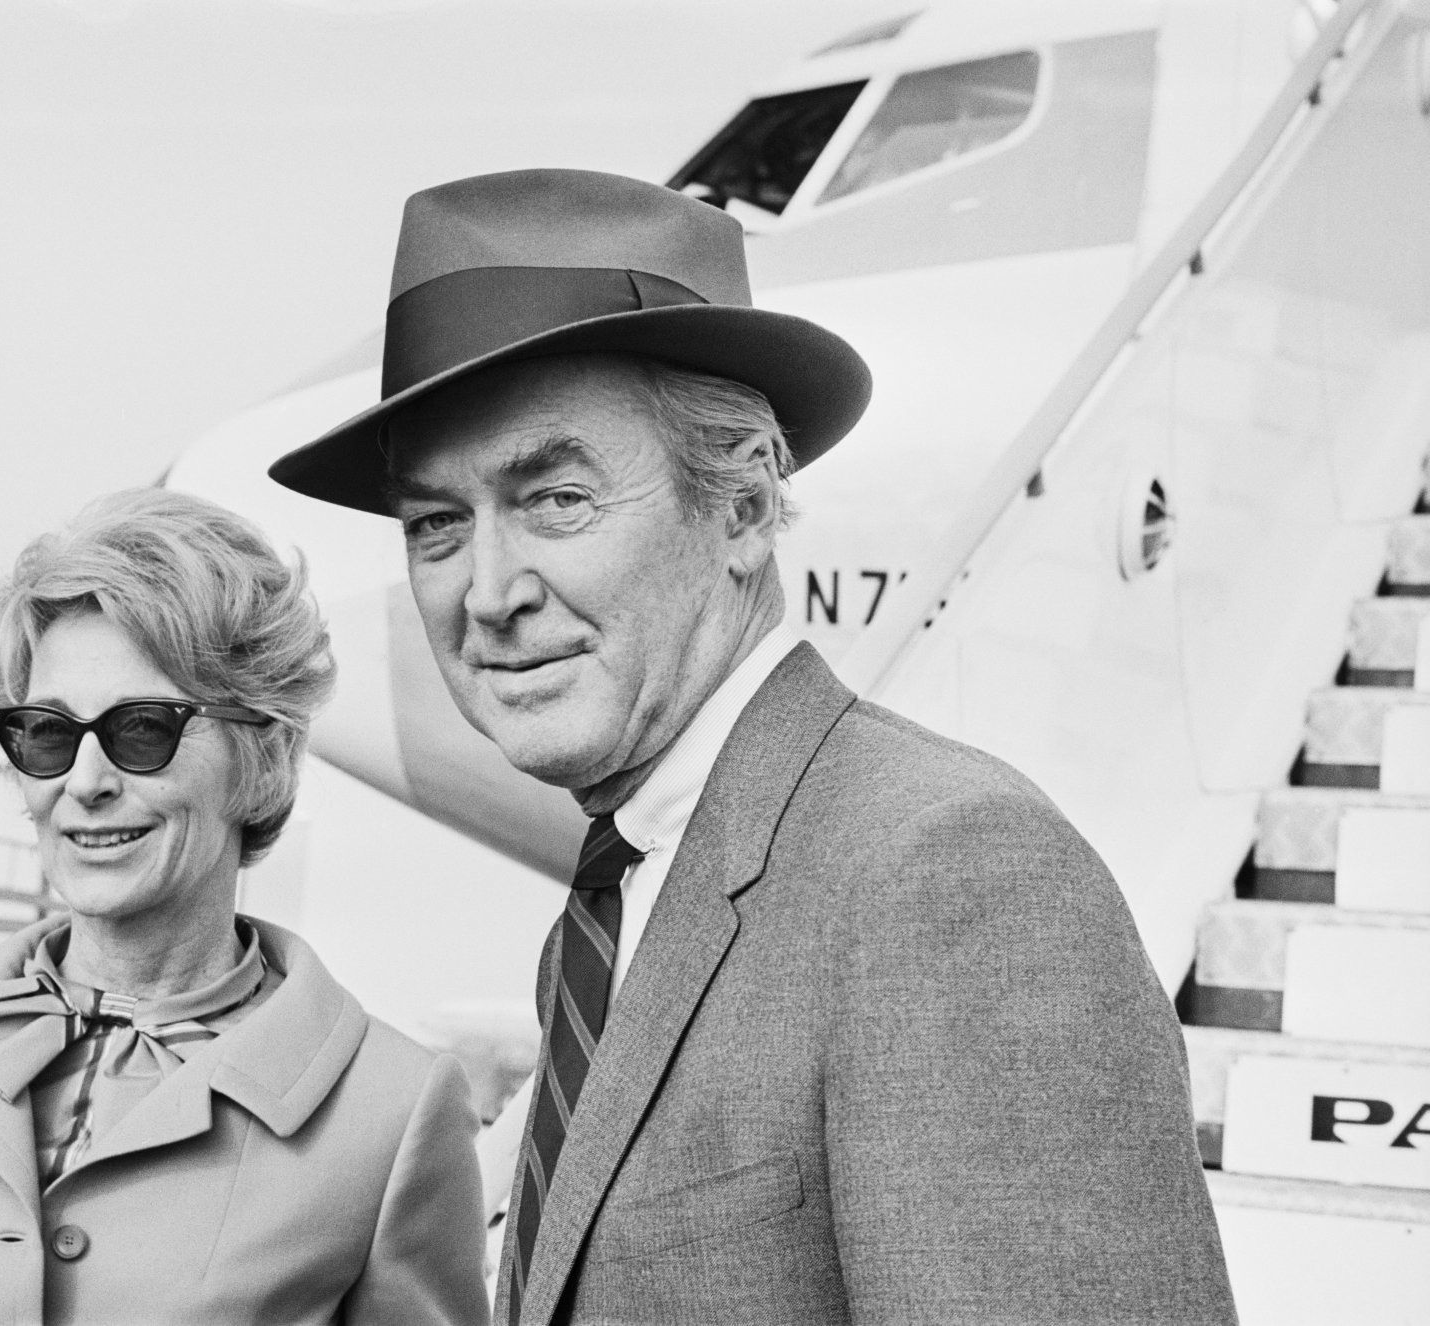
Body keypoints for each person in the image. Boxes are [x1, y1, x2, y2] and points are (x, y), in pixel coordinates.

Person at [269, 170, 1236, 1325]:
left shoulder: (950, 876)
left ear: (738, 505)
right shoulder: (625, 898)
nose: (486, 592)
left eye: (557, 500)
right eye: (436, 525)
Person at [0, 488, 489, 1326]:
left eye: (143, 729)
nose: (85, 784)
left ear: (262, 753)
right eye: (47, 733)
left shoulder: (393, 1114)